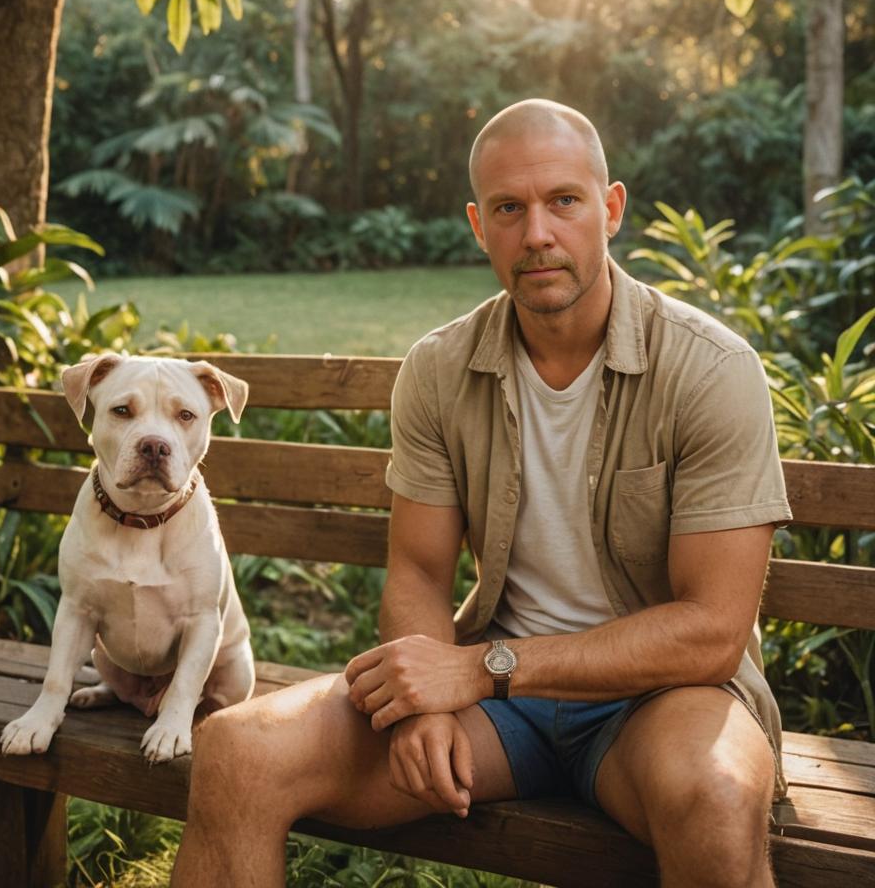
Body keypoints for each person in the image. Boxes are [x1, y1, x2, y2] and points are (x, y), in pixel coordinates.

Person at [170, 99, 792, 888]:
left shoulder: (709, 369)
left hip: (662, 701)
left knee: (717, 795)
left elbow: (711, 632)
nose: (537, 233)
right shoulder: (440, 369)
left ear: (610, 209)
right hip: (496, 711)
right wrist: (428, 703)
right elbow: (420, 574)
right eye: (509, 208)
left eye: (563, 201)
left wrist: (486, 669)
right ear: (478, 224)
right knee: (237, 753)